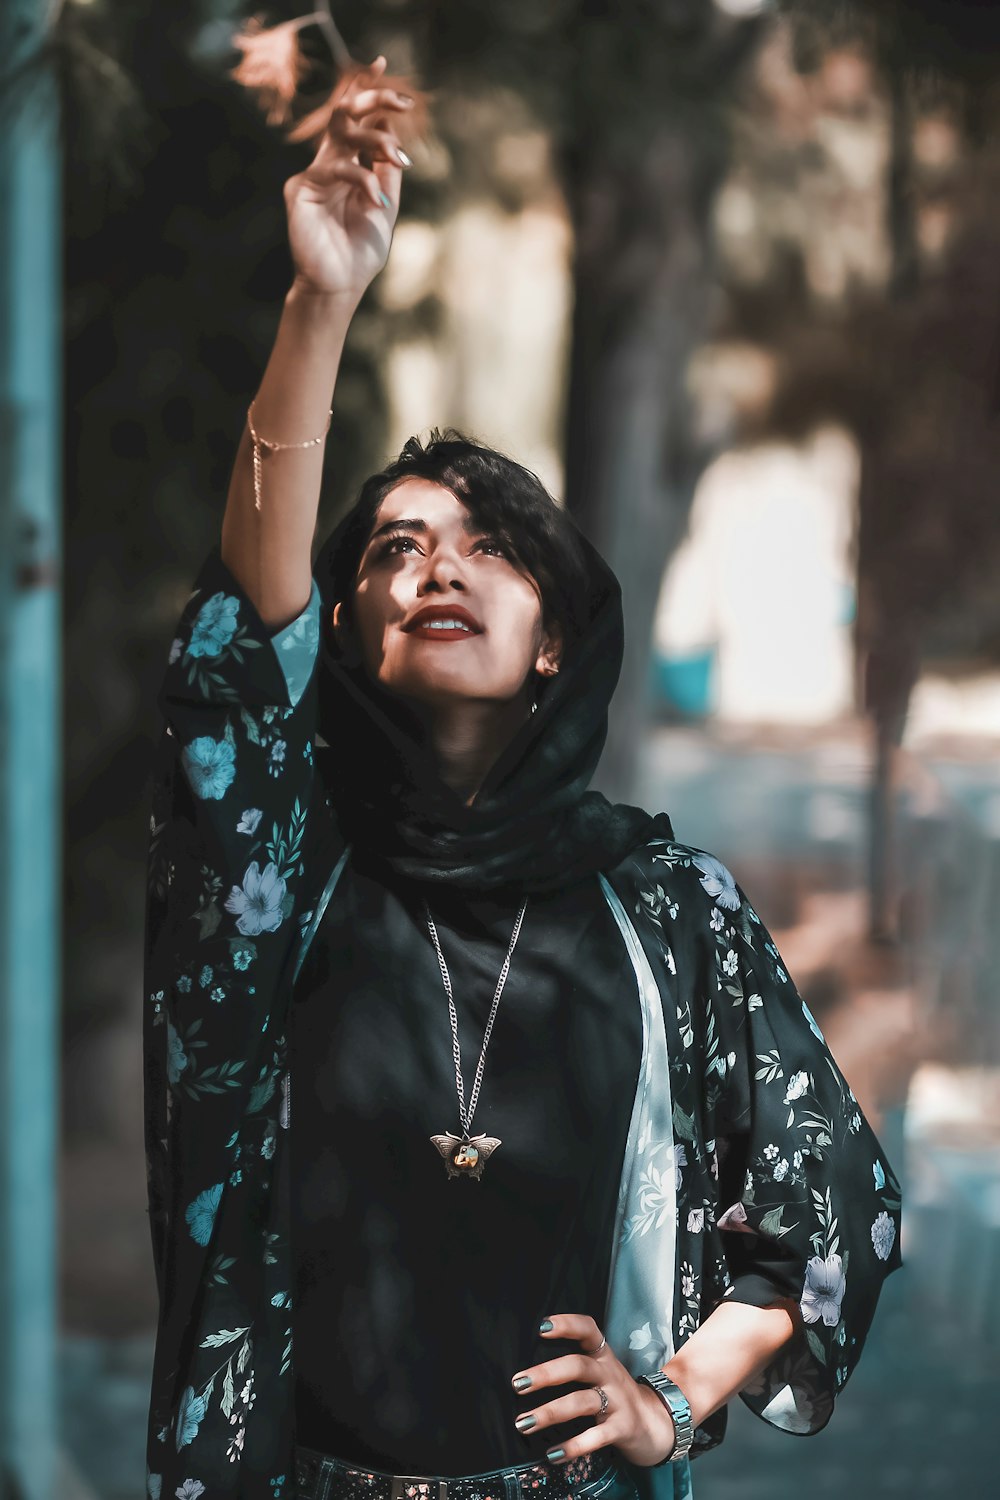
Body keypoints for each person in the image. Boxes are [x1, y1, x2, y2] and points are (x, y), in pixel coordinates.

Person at [142, 55, 903, 1500]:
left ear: (553, 638)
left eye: (489, 544)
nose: (439, 563)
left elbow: (834, 1190)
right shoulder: (285, 876)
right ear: (354, 639)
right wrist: (323, 301)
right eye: (395, 548)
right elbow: (241, 654)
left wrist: (674, 1399)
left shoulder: (669, 907)